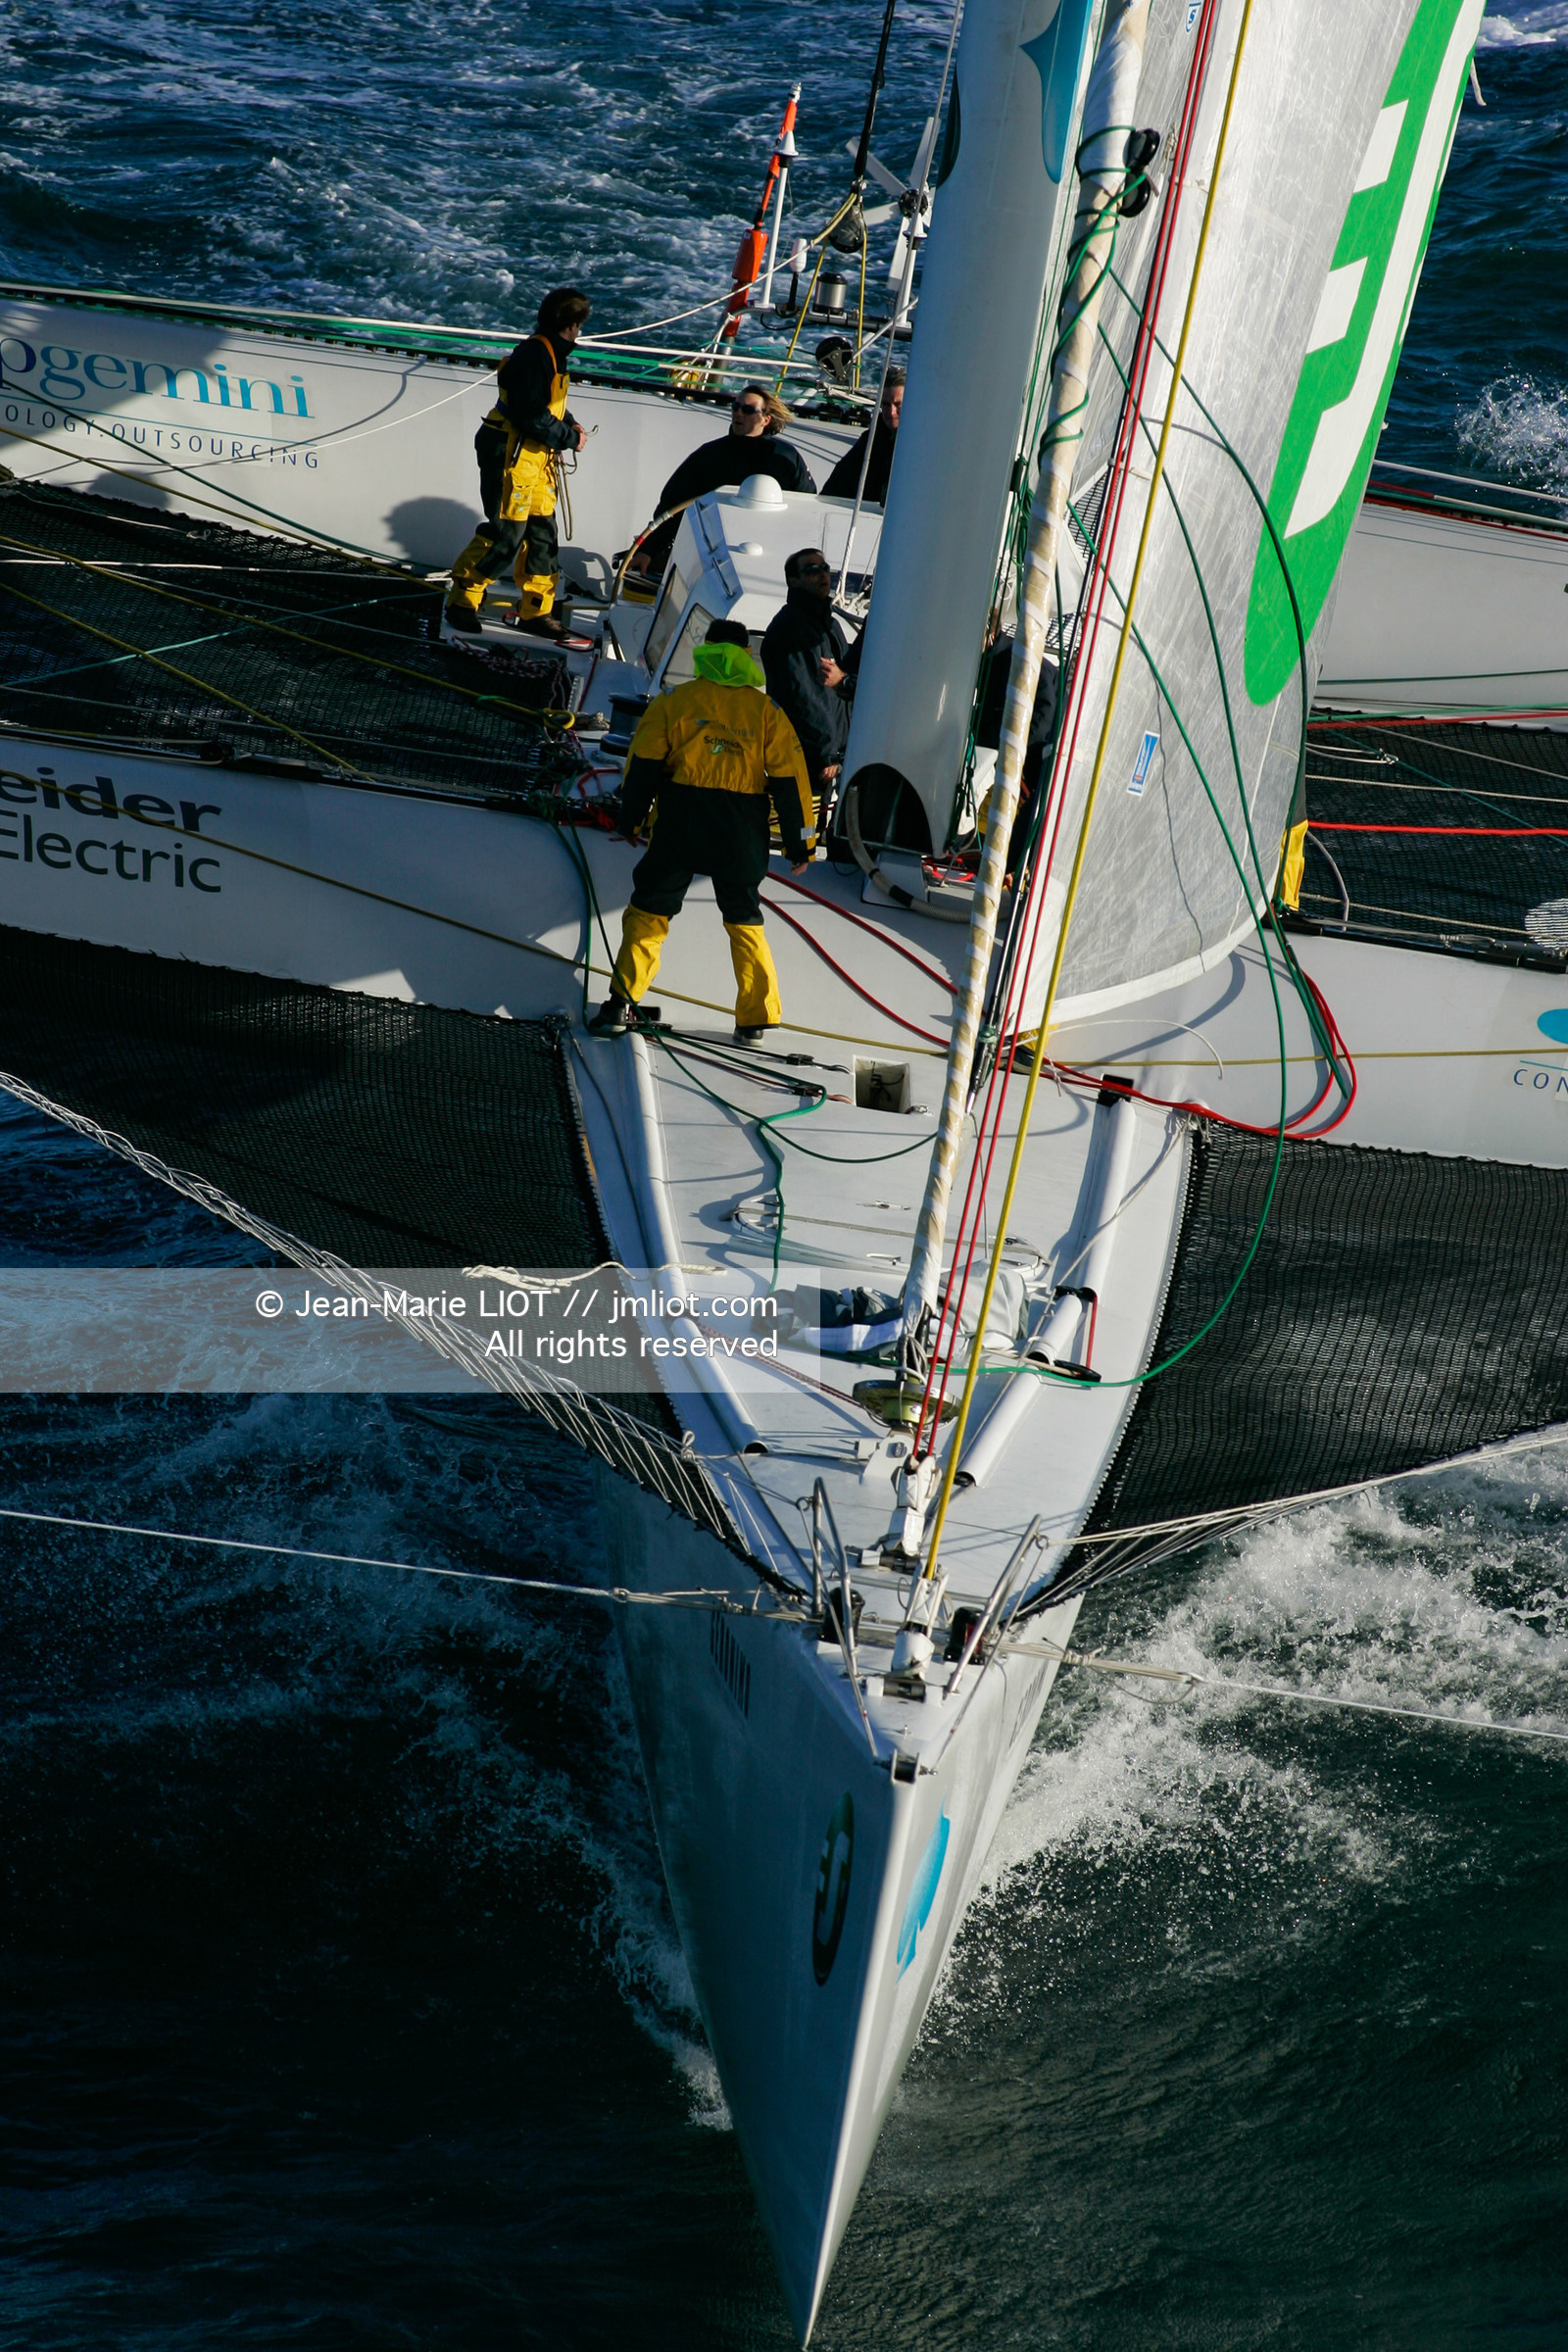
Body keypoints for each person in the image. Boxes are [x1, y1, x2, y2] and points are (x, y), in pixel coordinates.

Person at [593, 620, 813, 1043]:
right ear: (746, 653)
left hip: (681, 822)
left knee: (650, 911)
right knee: (744, 917)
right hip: (741, 829)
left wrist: (631, 820)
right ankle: (756, 1018)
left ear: (706, 649)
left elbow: (643, 764)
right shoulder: (766, 712)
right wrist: (800, 844)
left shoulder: (674, 700)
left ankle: (621, 1004)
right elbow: (791, 780)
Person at [445, 286, 591, 639]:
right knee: (506, 535)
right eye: (580, 324)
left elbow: (546, 402)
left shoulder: (549, 352)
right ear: (570, 325)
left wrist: (568, 420)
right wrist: (571, 438)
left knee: (543, 533)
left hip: (534, 457)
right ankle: (462, 599)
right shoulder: (536, 356)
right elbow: (530, 414)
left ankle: (536, 612)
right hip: (511, 453)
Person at [628, 386, 816, 578]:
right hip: (716, 557)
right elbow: (673, 506)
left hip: (772, 556)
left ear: (766, 419)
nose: (739, 413)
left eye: (748, 410)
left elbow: (808, 509)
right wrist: (649, 550)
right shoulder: (710, 455)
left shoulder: (786, 458)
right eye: (736, 407)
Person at [760, 548, 851, 805]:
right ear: (794, 581)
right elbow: (804, 698)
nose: (822, 574)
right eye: (812, 570)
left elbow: (844, 694)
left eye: (825, 568)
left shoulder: (830, 625)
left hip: (838, 759)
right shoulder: (789, 628)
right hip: (811, 763)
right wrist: (827, 755)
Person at [823, 368, 904, 505]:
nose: (891, 412)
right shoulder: (870, 441)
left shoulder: (924, 446)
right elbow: (839, 481)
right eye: (885, 404)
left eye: (898, 404)